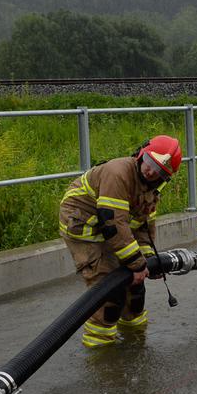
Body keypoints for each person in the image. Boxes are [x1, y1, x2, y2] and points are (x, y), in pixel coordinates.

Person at [58, 134, 182, 348]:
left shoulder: (151, 189)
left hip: (112, 229)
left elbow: (141, 228)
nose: (151, 171)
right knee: (109, 292)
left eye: (159, 171)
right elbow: (112, 222)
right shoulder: (118, 173)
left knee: (135, 289)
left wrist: (149, 261)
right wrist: (137, 263)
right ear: (141, 154)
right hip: (84, 227)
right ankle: (102, 355)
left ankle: (134, 341)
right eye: (150, 162)